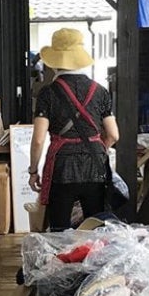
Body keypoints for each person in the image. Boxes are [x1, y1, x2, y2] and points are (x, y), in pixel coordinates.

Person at [28, 28, 119, 231]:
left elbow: (39, 139)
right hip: (95, 167)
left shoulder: (48, 93)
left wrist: (33, 171)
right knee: (95, 230)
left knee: (60, 233)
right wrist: (96, 149)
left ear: (55, 60)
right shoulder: (100, 91)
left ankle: (61, 252)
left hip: (62, 168)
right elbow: (114, 134)